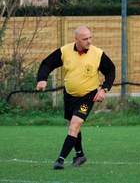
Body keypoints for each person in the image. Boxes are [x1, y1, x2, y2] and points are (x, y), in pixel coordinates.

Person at [36, 26, 116, 169]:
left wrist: (104, 89)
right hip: (69, 96)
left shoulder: (97, 54)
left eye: (90, 38)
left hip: (88, 96)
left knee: (74, 125)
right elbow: (47, 63)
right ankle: (80, 155)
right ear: (76, 39)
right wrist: (42, 79)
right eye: (85, 39)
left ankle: (60, 160)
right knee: (72, 127)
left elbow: (110, 70)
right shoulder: (65, 51)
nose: (89, 41)